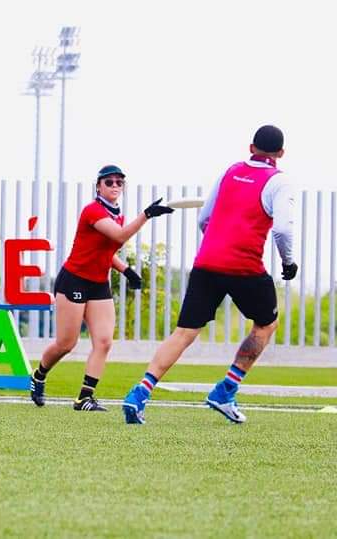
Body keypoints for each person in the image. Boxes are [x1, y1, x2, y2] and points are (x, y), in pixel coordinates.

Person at [123, 125, 296, 425]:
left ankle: (139, 393)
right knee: (266, 324)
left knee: (185, 331)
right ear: (281, 153)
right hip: (245, 266)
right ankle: (226, 389)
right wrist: (288, 263)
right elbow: (282, 229)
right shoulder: (280, 182)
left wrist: (217, 241)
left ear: (251, 147)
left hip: (207, 261)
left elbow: (205, 218)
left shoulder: (230, 171)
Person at [30, 165, 174, 411]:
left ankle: (84, 397)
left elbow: (105, 250)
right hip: (74, 280)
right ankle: (38, 376)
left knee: (104, 341)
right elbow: (119, 237)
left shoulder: (116, 213)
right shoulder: (93, 211)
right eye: (109, 182)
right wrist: (146, 215)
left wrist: (125, 270)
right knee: (67, 343)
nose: (115, 186)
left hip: (98, 283)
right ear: (98, 186)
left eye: (119, 182)